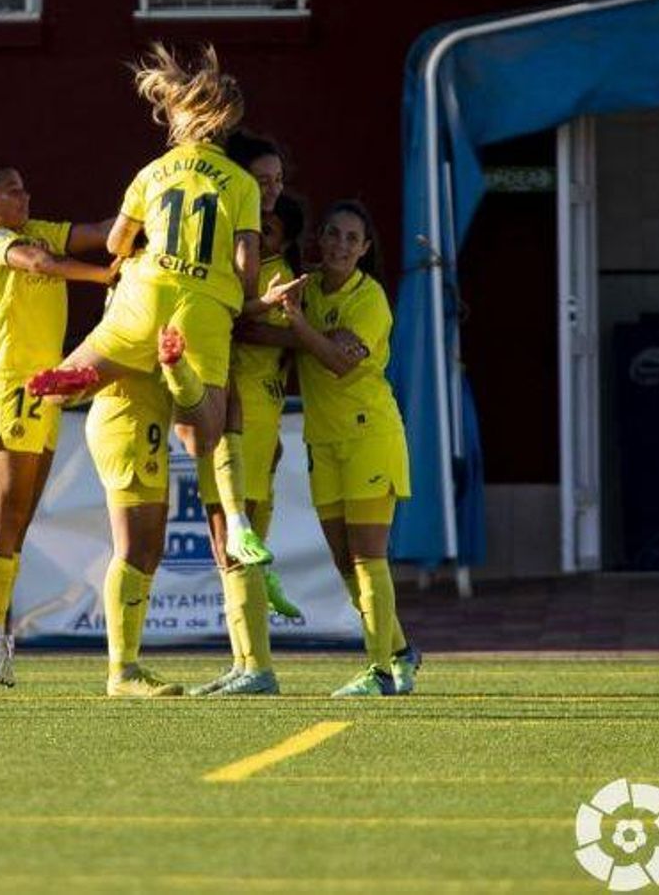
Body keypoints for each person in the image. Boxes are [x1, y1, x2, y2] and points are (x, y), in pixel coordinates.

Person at [28, 44, 300, 571]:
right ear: (224, 128)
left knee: (94, 361)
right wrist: (243, 295)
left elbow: (115, 244)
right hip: (202, 307)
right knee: (207, 433)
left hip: (143, 292)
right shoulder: (241, 184)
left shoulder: (152, 172)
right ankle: (180, 377)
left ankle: (70, 376)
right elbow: (246, 257)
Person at [0, 163, 119, 687]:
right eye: (13, 191)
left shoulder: (35, 227)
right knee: (6, 508)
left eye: (24, 185)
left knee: (22, 514)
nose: (26, 195)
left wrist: (146, 205)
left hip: (47, 383)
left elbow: (102, 233)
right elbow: (40, 264)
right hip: (9, 382)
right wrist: (106, 275)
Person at [279, 200, 420, 696]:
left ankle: (380, 671)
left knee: (368, 559)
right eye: (332, 234)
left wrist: (296, 324)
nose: (340, 245)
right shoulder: (308, 291)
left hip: (369, 438)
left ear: (364, 249)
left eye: (351, 239)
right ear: (319, 238)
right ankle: (402, 652)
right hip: (324, 440)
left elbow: (339, 360)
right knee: (345, 564)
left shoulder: (370, 299)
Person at [190, 136, 308, 697]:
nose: (271, 189)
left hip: (251, 410)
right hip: (224, 402)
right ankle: (246, 662)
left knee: (235, 534)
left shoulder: (273, 266)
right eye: (262, 179)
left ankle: (256, 666)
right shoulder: (227, 247)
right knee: (228, 537)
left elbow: (264, 327)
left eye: (277, 180)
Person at [84, 304, 184, 698]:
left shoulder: (149, 281)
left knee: (148, 550)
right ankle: (122, 671)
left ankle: (128, 665)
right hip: (128, 420)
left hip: (145, 419)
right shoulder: (138, 285)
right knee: (134, 549)